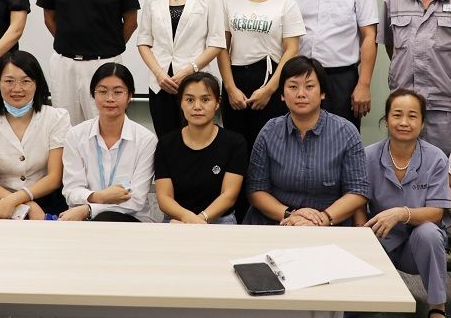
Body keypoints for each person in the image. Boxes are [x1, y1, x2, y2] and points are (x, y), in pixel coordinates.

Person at [355, 89, 450, 318]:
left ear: (422, 122)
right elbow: (358, 200)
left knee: (429, 233)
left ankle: (437, 309)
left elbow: (437, 212)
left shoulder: (436, 159)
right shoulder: (368, 155)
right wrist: (362, 232)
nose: (404, 122)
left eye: (412, 116)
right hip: (380, 240)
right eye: (397, 115)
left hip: (418, 246)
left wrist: (401, 213)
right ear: (386, 119)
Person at [245, 56, 369, 226]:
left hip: (330, 223)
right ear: (282, 94)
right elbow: (255, 190)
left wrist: (322, 219)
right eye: (293, 87)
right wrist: (290, 214)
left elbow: (358, 190)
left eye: (309, 86)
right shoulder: (269, 132)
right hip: (278, 222)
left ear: (322, 93)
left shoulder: (346, 132)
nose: (301, 94)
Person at [218, 0, 305, 156]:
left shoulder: (286, 3)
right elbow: (222, 48)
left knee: (269, 148)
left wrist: (270, 89)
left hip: (270, 79)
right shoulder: (228, 2)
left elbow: (292, 50)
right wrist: (230, 88)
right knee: (236, 148)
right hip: (235, 81)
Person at [289, 0, 377, 130]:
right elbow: (290, 37)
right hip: (303, 77)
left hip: (342, 79)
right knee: (301, 136)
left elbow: (369, 37)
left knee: (341, 138)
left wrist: (364, 84)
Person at [137, 0, 225, 138]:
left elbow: (216, 42)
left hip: (196, 83)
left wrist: (189, 70)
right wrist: (159, 74)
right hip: (160, 84)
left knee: (196, 140)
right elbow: (143, 41)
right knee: (165, 140)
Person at [0, 50, 70, 219]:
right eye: (9, 81)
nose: (17, 89)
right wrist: (25, 205)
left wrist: (19, 199)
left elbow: (54, 177)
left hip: (46, 200)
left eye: (26, 81)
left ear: (37, 83)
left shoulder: (57, 118)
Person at [379, 0, 451, 156]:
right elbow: (391, 47)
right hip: (403, 106)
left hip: (443, 106)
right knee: (402, 164)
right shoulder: (394, 0)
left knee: (442, 168)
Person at [60, 63, 156, 222]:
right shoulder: (75, 135)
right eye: (102, 91)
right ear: (93, 95)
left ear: (130, 96)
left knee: (105, 217)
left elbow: (136, 200)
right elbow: (71, 191)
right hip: (84, 221)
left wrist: (89, 209)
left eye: (118, 92)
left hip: (131, 221)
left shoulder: (146, 140)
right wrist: (100, 197)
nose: (110, 98)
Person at [154, 72, 247, 224]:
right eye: (190, 100)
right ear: (181, 102)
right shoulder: (166, 144)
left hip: (219, 220)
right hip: (177, 220)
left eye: (205, 99)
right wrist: (187, 218)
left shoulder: (234, 143)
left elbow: (229, 195)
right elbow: (164, 197)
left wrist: (200, 219)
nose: (197, 107)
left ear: (217, 103)